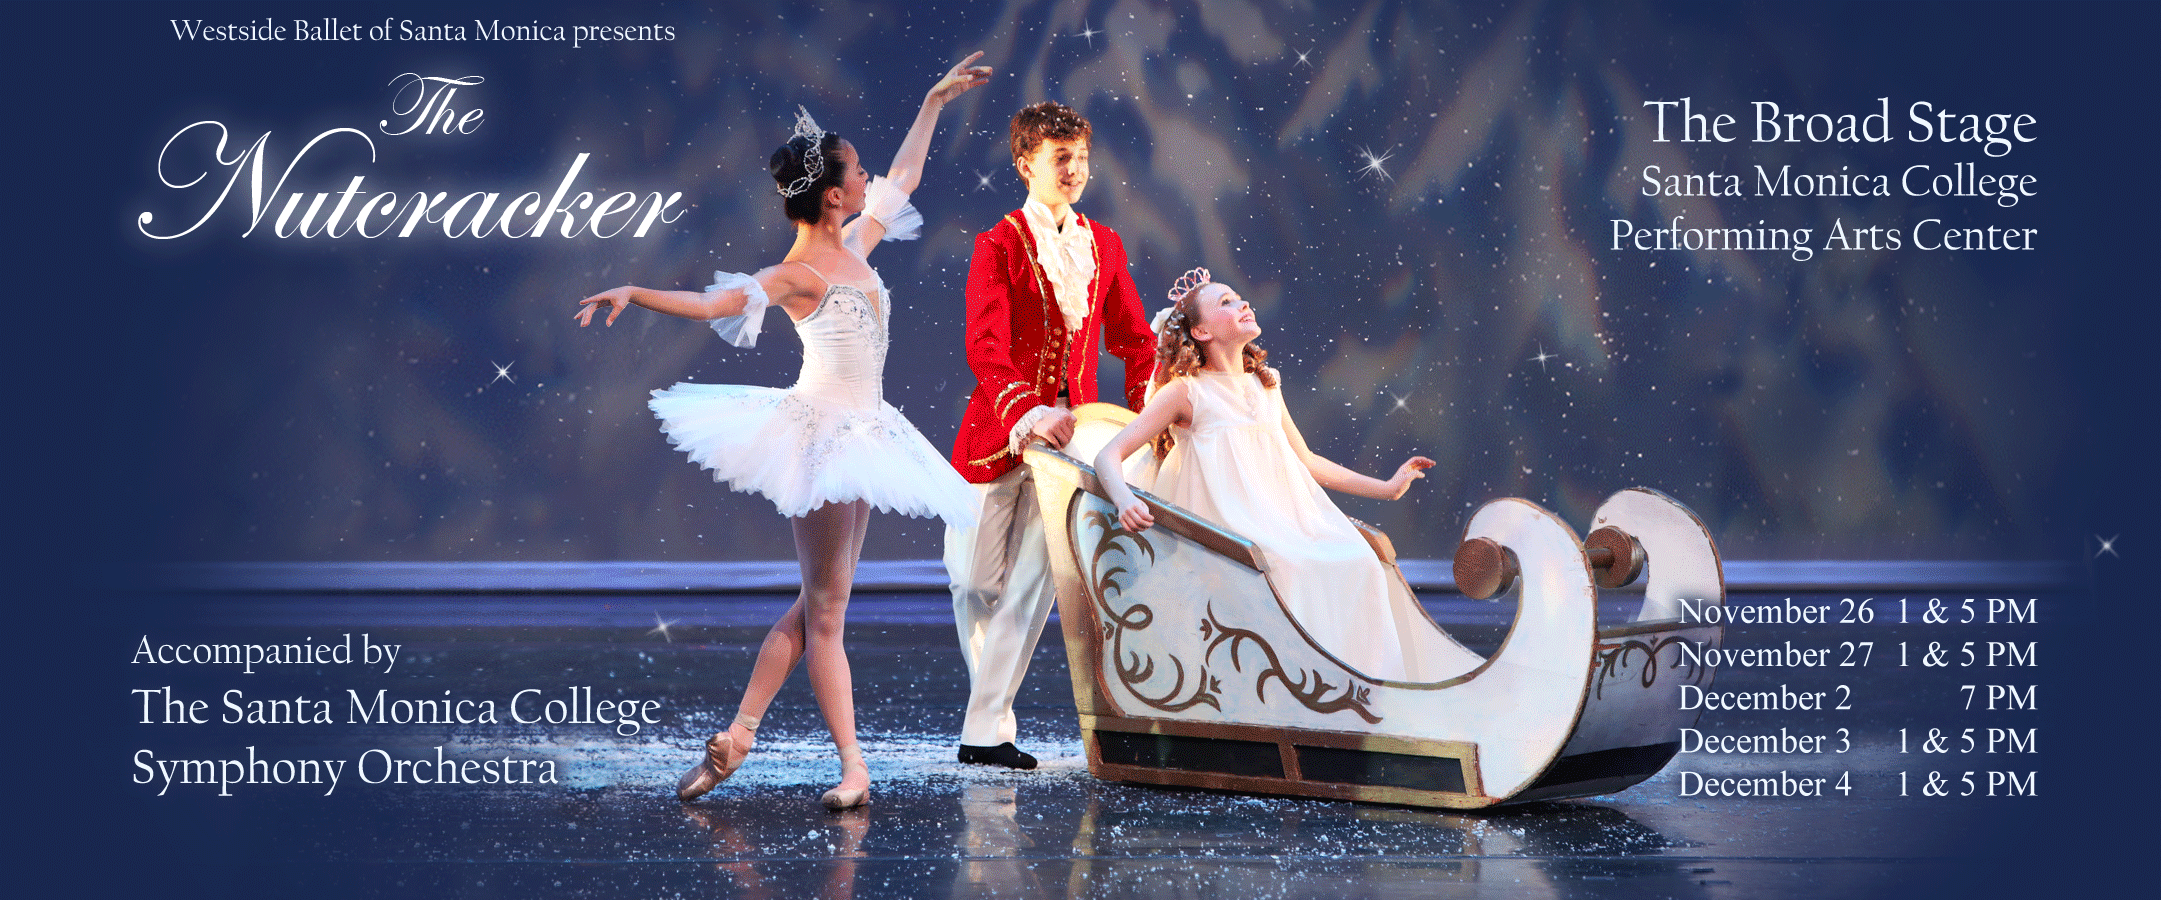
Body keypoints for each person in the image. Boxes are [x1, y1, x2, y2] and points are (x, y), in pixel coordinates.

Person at [574, 53, 994, 810]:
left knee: (815, 605)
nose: (867, 179)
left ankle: (739, 737)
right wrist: (635, 290)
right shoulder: (800, 273)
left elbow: (903, 180)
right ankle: (852, 768)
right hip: (824, 436)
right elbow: (715, 306)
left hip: (865, 432)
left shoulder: (854, 247)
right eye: (856, 172)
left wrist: (932, 103)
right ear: (833, 194)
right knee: (826, 613)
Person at [1092, 269, 1438, 682]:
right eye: (1226, 302)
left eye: (1240, 297)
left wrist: (1387, 488)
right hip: (1226, 531)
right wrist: (1124, 499)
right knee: (1286, 570)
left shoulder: (1265, 384)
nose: (1243, 303)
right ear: (1201, 331)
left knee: (1359, 560)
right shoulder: (1187, 392)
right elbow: (1109, 455)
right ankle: (1296, 683)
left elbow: (1307, 460)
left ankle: (1361, 685)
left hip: (1279, 521)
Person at [944, 101, 1156, 770]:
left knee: (1032, 587)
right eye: (1061, 158)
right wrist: (1030, 411)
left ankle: (985, 732)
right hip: (999, 431)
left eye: (1082, 159)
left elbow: (1135, 340)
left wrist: (1148, 416)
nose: (1075, 171)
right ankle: (986, 714)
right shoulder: (999, 244)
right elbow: (984, 346)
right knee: (973, 585)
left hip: (1073, 444)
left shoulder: (1104, 243)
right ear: (1024, 164)